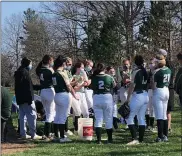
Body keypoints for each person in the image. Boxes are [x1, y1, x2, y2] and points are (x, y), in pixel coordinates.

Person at [52, 55, 79, 143]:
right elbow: (68, 86)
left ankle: (56, 135)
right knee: (63, 117)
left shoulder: (54, 73)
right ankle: (63, 137)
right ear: (63, 63)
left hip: (57, 95)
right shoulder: (63, 73)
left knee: (57, 116)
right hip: (64, 95)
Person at [14, 57, 41, 140]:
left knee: (22, 116)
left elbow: (29, 86)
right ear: (27, 64)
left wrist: (39, 87)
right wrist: (30, 99)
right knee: (32, 115)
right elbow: (29, 87)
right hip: (27, 98)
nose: (31, 66)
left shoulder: (18, 73)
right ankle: (33, 134)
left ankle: (23, 134)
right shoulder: (25, 73)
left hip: (20, 98)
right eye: (31, 64)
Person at [125, 55, 149, 145]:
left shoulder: (136, 71)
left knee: (129, 117)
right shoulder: (145, 71)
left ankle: (134, 139)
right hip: (145, 94)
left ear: (135, 62)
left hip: (138, 95)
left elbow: (132, 85)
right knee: (141, 118)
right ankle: (141, 139)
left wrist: (128, 99)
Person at [91, 63, 116, 144]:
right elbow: (114, 85)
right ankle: (110, 139)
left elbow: (92, 87)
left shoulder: (94, 77)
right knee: (108, 119)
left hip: (97, 97)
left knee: (98, 119)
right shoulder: (109, 77)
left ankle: (98, 140)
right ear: (105, 69)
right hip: (107, 97)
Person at [152, 54, 171, 142]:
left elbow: (154, 86)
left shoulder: (157, 72)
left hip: (159, 91)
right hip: (166, 90)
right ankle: (165, 135)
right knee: (164, 114)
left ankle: (160, 136)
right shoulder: (168, 70)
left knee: (159, 115)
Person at [36, 55, 55, 140]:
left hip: (42, 92)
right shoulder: (50, 70)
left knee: (47, 113)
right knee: (50, 113)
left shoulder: (40, 70)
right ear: (49, 61)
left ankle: (49, 133)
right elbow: (55, 82)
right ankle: (47, 134)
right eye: (52, 60)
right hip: (49, 91)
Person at [158, 49, 175, 133]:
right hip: (165, 88)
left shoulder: (169, 65)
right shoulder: (161, 64)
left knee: (167, 110)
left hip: (168, 88)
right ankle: (164, 126)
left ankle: (168, 126)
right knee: (163, 109)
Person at [145, 58, 156, 132]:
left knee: (153, 109)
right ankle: (147, 124)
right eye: (150, 63)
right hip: (148, 90)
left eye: (152, 63)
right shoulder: (147, 73)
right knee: (147, 108)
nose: (151, 64)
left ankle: (151, 125)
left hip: (155, 91)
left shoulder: (156, 72)